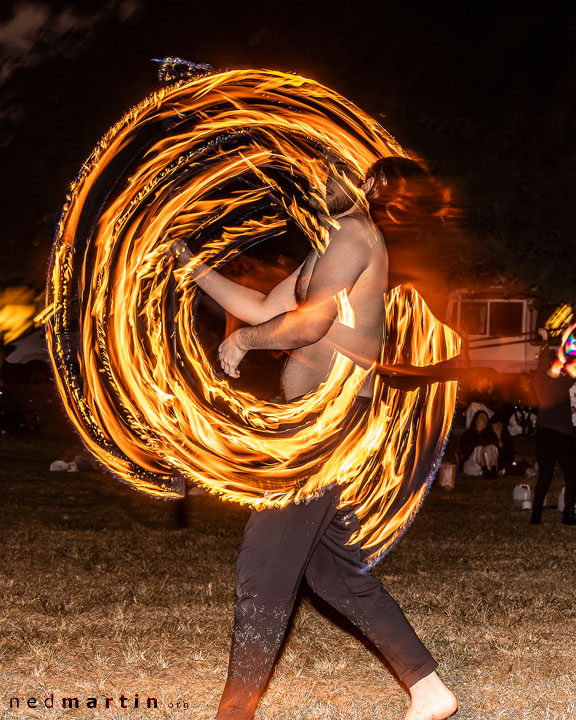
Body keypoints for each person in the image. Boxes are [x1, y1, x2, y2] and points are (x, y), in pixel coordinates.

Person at [173, 154, 458, 720]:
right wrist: (190, 263)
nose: (315, 181)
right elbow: (258, 305)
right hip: (313, 420)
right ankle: (429, 689)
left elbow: (310, 323)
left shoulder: (354, 234)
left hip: (326, 424)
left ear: (365, 184)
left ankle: (235, 712)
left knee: (264, 566)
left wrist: (244, 343)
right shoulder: (325, 248)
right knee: (330, 569)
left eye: (327, 171)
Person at [530, 333, 576, 525]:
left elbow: (573, 365)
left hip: (565, 434)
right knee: (545, 475)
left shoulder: (564, 383)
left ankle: (568, 514)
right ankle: (536, 514)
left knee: (573, 475)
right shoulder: (540, 382)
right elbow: (541, 363)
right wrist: (545, 340)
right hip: (546, 433)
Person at [459, 409, 499, 477]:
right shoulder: (467, 434)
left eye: (486, 418)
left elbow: (495, 446)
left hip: (488, 464)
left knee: (491, 447)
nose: (485, 419)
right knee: (479, 448)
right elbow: (466, 450)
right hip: (472, 466)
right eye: (482, 417)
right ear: (476, 421)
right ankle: (485, 470)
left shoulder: (490, 434)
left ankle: (493, 470)